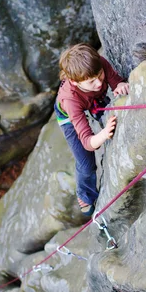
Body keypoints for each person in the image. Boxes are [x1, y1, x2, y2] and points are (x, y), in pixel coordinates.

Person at [54, 43, 129, 216]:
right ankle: (85, 195)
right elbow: (88, 143)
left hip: (93, 100)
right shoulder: (70, 101)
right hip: (67, 116)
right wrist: (103, 134)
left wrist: (119, 85)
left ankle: (95, 109)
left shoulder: (98, 64)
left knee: (98, 96)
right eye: (91, 81)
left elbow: (115, 80)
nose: (98, 82)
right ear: (74, 81)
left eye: (100, 75)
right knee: (86, 164)